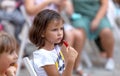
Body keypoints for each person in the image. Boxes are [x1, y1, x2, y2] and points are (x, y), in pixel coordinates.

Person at [66, 0, 115, 75]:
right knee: (79, 32)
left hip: (98, 15)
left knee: (106, 32)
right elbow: (68, 4)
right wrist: (70, 11)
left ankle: (110, 58)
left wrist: (97, 20)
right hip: (80, 17)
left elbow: (105, 5)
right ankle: (77, 64)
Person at [29, 9, 78, 76]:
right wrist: (71, 62)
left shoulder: (56, 49)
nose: (60, 33)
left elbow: (61, 69)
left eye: (61, 28)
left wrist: (64, 53)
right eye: (54, 30)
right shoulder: (44, 56)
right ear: (42, 33)